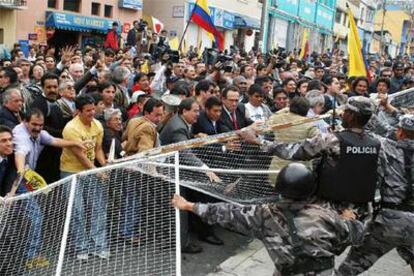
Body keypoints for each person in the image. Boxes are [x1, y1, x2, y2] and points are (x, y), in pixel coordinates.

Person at [172, 163, 363, 275]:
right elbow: (355, 236)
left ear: (279, 189)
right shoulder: (328, 216)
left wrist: (188, 206)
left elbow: (225, 212)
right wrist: (351, 219)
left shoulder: (263, 214)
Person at [240, 96, 384, 220]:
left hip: (332, 209)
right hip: (362, 209)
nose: (342, 114)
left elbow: (294, 151)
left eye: (346, 111)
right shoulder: (378, 143)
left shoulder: (333, 140)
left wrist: (258, 141)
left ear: (351, 116)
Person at [337, 114, 414, 275]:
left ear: (400, 132)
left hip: (389, 221)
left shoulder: (385, 147)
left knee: (349, 269)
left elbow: (363, 135)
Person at [10, 108, 85, 269]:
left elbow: (54, 141)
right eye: (34, 125)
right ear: (25, 122)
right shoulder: (22, 137)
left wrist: (76, 143)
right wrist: (20, 174)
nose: (37, 128)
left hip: (25, 179)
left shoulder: (39, 133)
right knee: (36, 216)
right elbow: (20, 156)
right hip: (19, 180)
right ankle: (30, 257)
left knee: (17, 219)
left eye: (40, 125)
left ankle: (16, 254)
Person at [159, 97, 220, 254]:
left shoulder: (181, 122)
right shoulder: (178, 127)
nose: (197, 115)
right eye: (195, 111)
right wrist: (205, 168)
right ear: (184, 111)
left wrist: (194, 138)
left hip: (175, 171)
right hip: (171, 173)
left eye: (199, 111)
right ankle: (182, 244)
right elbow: (185, 153)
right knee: (179, 208)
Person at [60, 95, 109, 261]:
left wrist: (105, 165)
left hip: (92, 170)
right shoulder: (71, 128)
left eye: (93, 109)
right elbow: (80, 156)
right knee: (77, 210)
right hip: (71, 171)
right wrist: (97, 171)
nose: (92, 113)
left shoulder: (97, 125)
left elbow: (98, 150)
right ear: (78, 112)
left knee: (98, 208)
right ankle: (82, 246)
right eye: (88, 111)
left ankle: (99, 245)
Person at [0, 125, 16, 196]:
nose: (9, 144)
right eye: (4, 141)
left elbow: (12, 178)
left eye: (10, 139)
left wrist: (10, 193)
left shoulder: (13, 157)